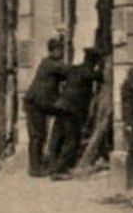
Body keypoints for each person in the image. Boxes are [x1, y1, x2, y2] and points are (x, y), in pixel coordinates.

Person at [48, 47, 103, 181]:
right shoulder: (88, 72)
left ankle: (51, 166)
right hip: (71, 109)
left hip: (60, 106)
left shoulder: (74, 69)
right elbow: (99, 76)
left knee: (57, 138)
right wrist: (101, 69)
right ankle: (58, 170)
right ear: (93, 62)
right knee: (71, 141)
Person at [18, 36, 66, 178]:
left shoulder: (50, 64)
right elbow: (66, 71)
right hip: (34, 105)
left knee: (40, 135)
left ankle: (38, 165)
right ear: (53, 51)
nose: (61, 52)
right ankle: (35, 168)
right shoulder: (50, 64)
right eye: (59, 50)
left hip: (38, 104)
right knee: (37, 136)